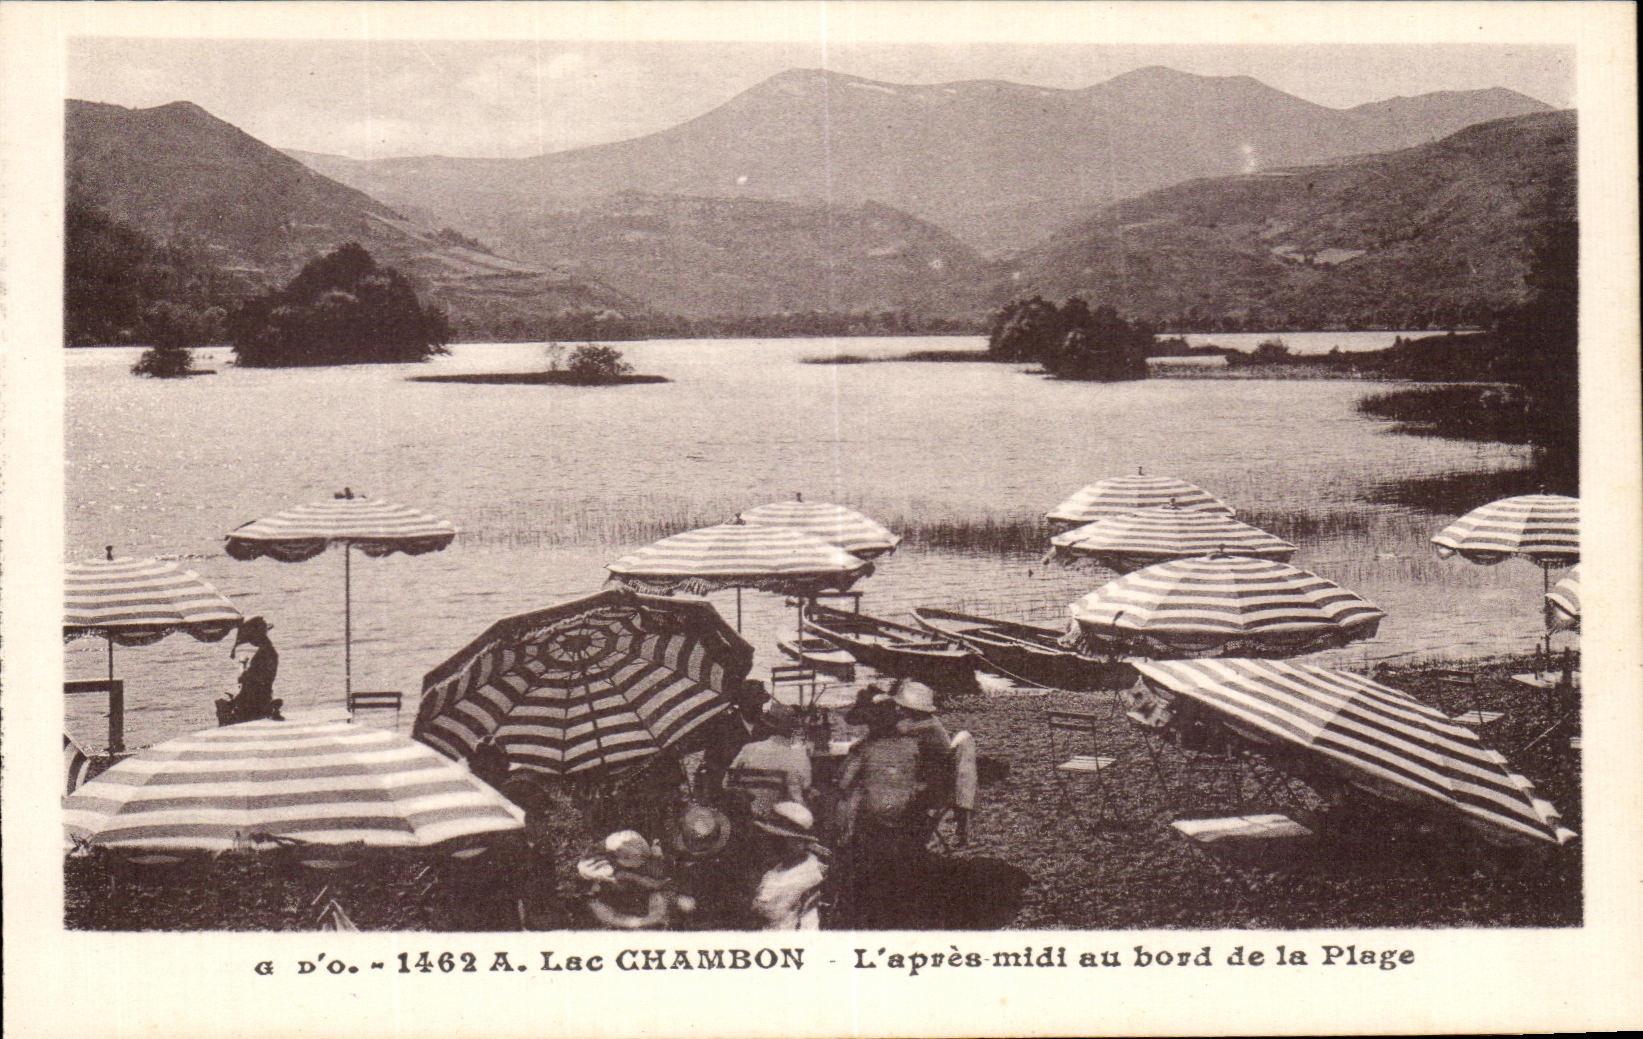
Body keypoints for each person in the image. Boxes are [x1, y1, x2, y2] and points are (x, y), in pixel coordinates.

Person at [834, 686, 921, 850]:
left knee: (846, 795)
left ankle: (844, 839)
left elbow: (843, 782)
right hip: (905, 809)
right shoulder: (912, 745)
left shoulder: (866, 749)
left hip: (874, 811)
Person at [579, 830, 694, 930]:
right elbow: (614, 918)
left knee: (686, 904)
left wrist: (658, 885)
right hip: (632, 914)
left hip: (646, 895)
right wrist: (642, 922)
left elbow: (639, 878)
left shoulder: (624, 852)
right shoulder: (596, 901)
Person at [749, 802, 828, 930]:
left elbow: (766, 910)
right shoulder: (786, 865)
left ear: (799, 842)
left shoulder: (803, 875)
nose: (773, 844)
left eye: (781, 840)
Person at [726, 701, 812, 811]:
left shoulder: (748, 749)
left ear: (768, 725)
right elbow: (805, 787)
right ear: (794, 730)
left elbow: (727, 783)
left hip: (748, 813)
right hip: (784, 819)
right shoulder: (799, 756)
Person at [891, 681, 954, 816]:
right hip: (936, 772)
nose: (898, 710)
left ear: (914, 710)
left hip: (939, 779)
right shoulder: (929, 721)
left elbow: (900, 729)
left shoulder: (927, 725)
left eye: (902, 707)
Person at [216, 616, 281, 726]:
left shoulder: (263, 655)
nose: (250, 641)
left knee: (222, 709)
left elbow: (242, 678)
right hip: (263, 699)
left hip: (252, 704)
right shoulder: (269, 652)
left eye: (250, 637)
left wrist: (242, 664)